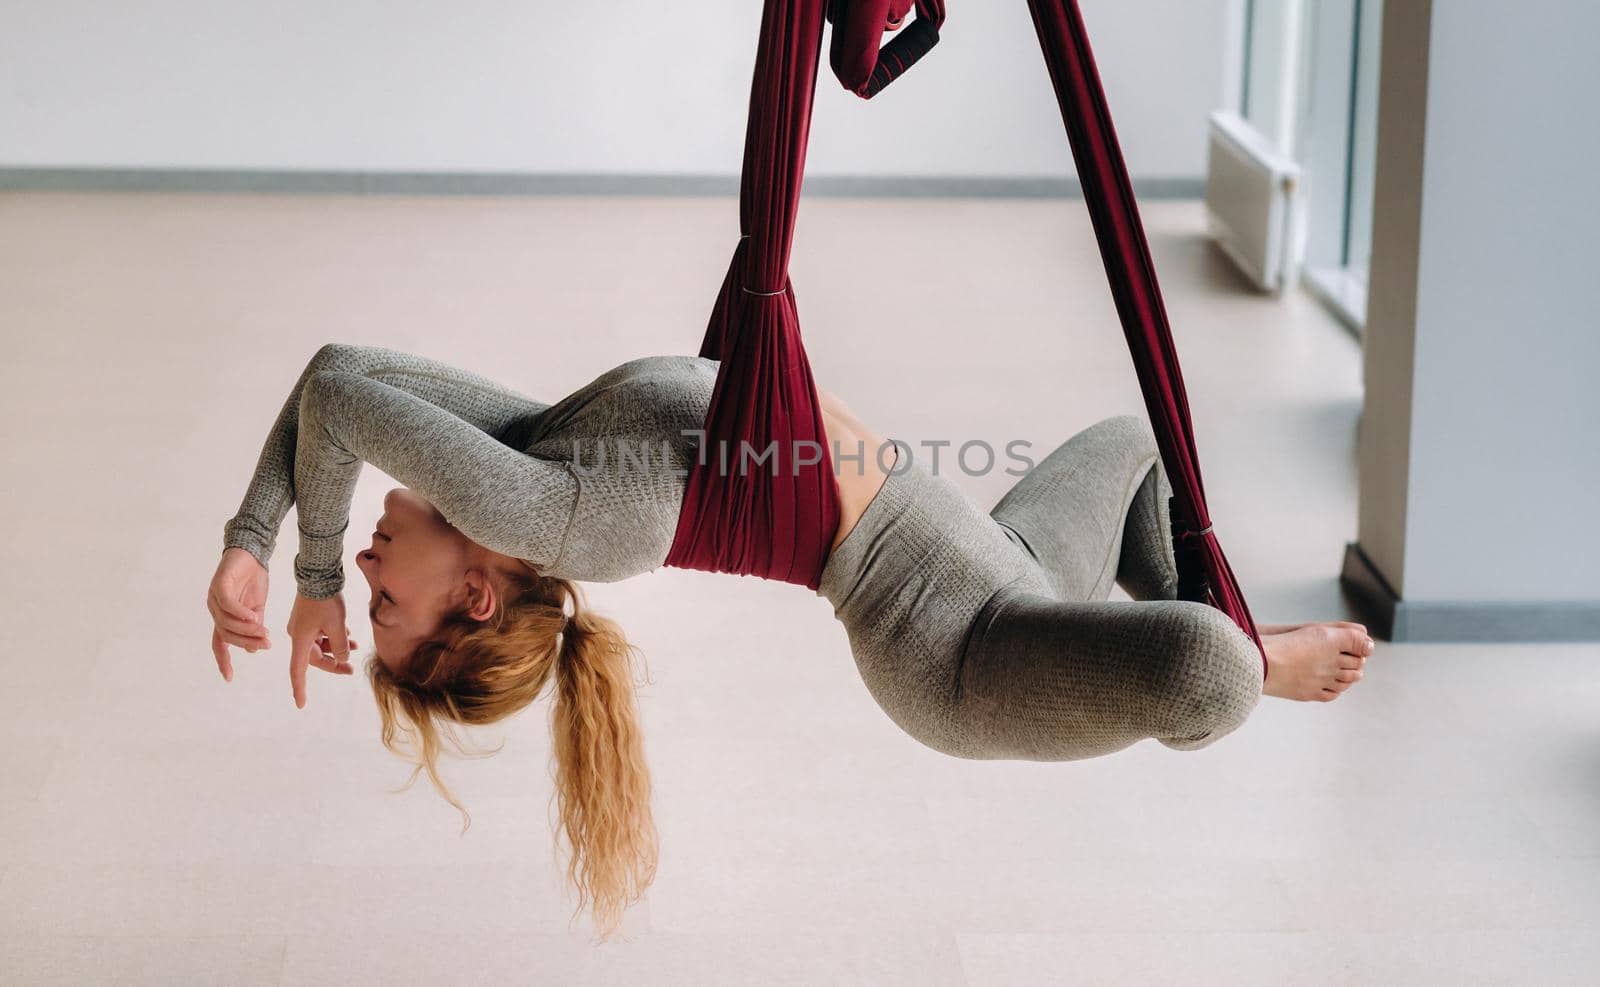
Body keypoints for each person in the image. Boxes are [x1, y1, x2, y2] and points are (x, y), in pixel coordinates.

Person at [205, 342, 1374, 938]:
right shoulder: (547, 512)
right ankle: (1242, 668)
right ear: (473, 598)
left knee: (1130, 446)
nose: (360, 571)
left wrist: (257, 542)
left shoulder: (532, 456)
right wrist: (308, 576)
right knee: (1210, 666)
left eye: (359, 590)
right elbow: (346, 407)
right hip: (961, 652)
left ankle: (1169, 648)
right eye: (382, 606)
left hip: (1004, 560)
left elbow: (336, 377)